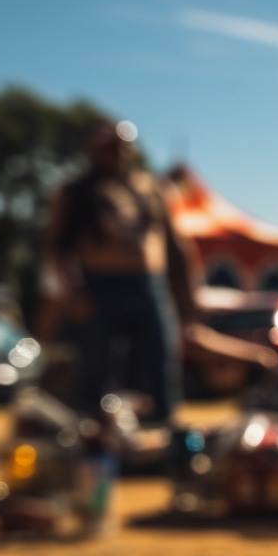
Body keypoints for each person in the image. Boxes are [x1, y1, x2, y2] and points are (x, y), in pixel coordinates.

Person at [45, 121, 198, 423]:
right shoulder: (76, 190)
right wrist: (72, 290)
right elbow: (58, 246)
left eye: (120, 146)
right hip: (99, 284)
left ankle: (164, 428)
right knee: (98, 362)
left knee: (160, 356)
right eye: (108, 147)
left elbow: (175, 244)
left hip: (149, 284)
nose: (115, 153)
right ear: (94, 150)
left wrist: (189, 292)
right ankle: (92, 433)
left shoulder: (150, 188)